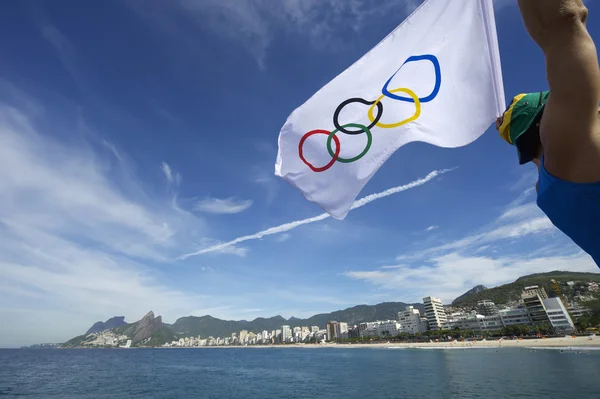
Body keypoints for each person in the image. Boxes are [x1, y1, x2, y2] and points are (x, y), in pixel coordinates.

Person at [496, 0, 600, 267]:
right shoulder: (570, 151)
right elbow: (563, 22)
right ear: (548, 124)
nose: (595, 108)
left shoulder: (553, 188)